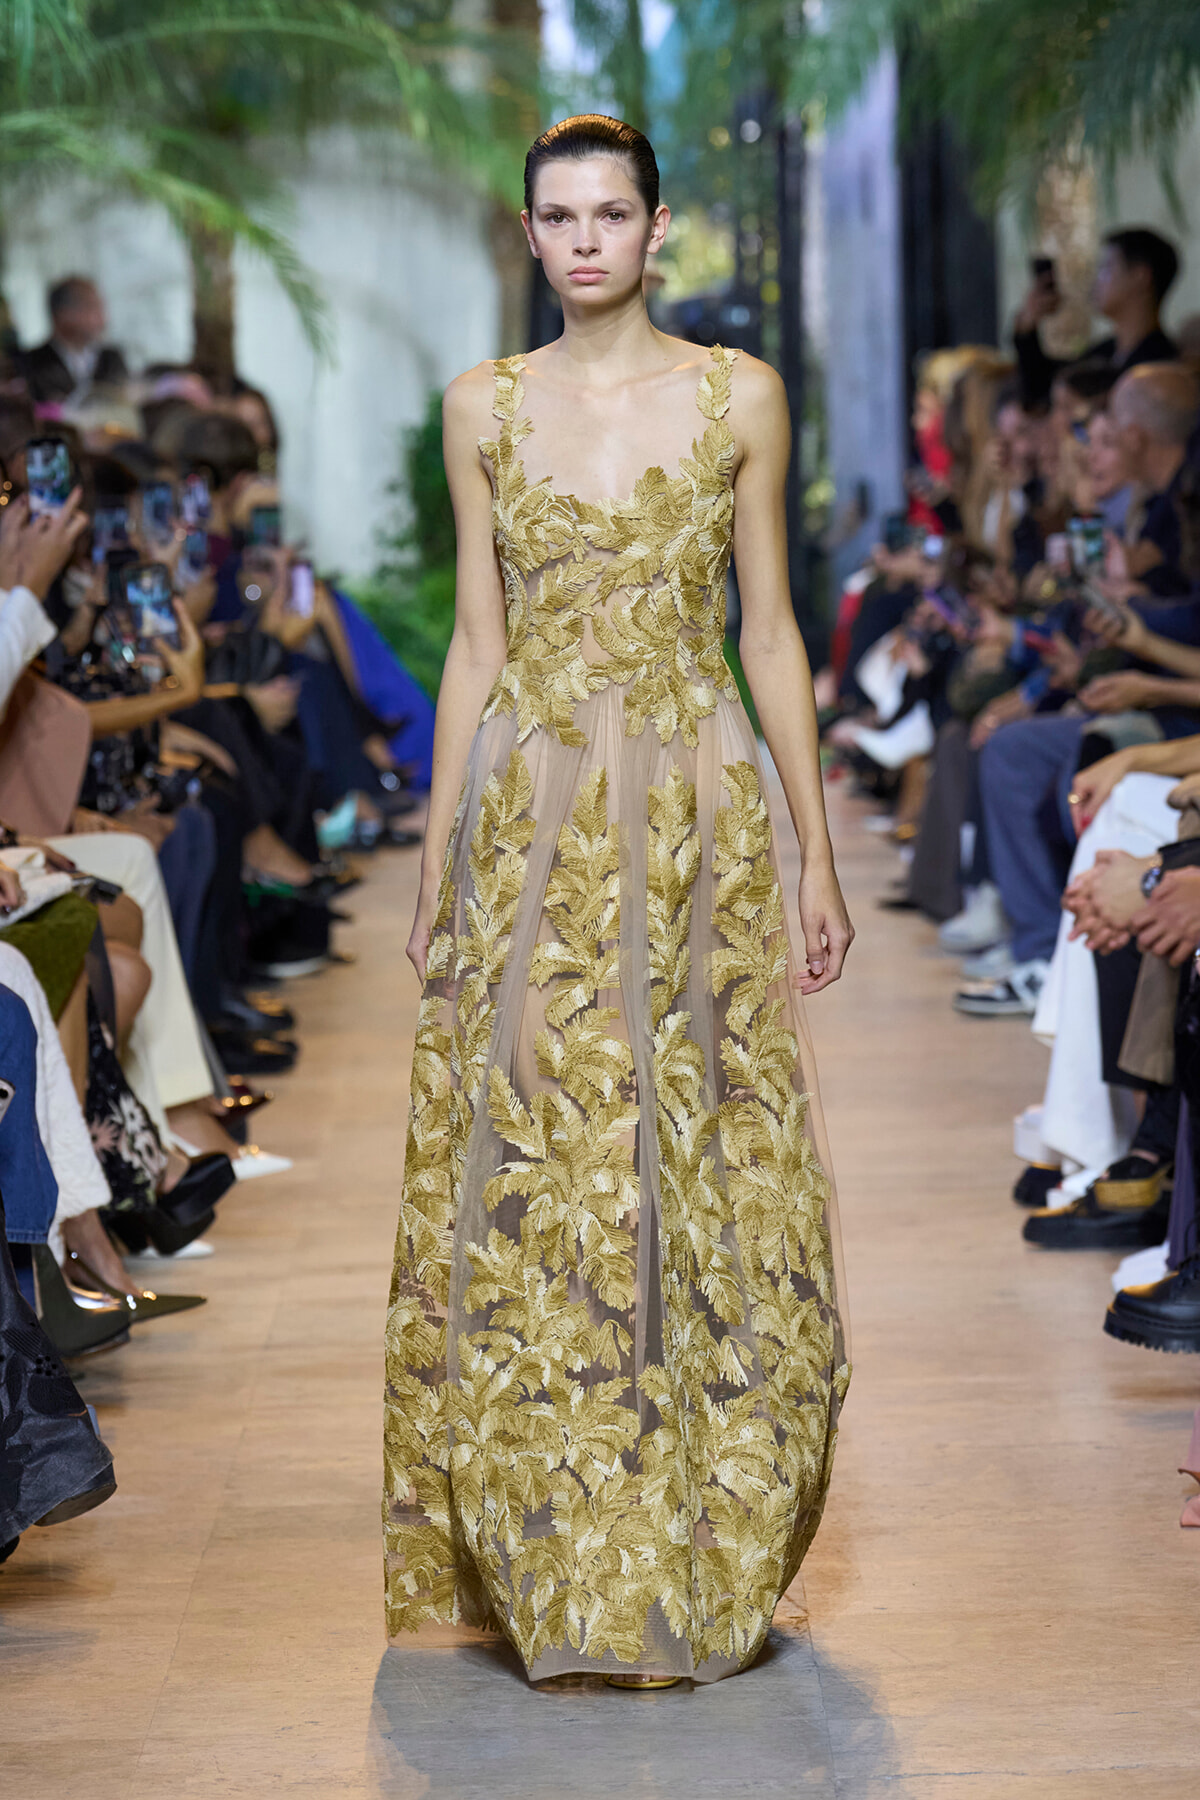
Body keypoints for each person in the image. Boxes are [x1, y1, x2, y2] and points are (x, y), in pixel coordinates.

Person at [382, 113, 852, 1689]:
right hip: (532, 812)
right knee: (545, 1150)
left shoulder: (740, 398)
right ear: (531, 236)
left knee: (703, 1146)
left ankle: (706, 1536)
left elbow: (770, 631)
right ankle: (561, 1548)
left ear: (661, 229)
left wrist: (815, 845)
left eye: (612, 213)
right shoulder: (482, 409)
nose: (585, 239)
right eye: (558, 216)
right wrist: (442, 855)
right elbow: (472, 643)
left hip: (699, 802)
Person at [1013, 227, 1179, 407]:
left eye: (1106, 268)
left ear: (1141, 277)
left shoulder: (1158, 365)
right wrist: (1028, 323)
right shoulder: (1106, 352)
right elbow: (1041, 389)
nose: (1096, 280)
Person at [20, 277, 129, 406]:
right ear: (63, 314)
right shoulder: (31, 364)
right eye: (91, 307)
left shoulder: (111, 359)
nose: (102, 318)